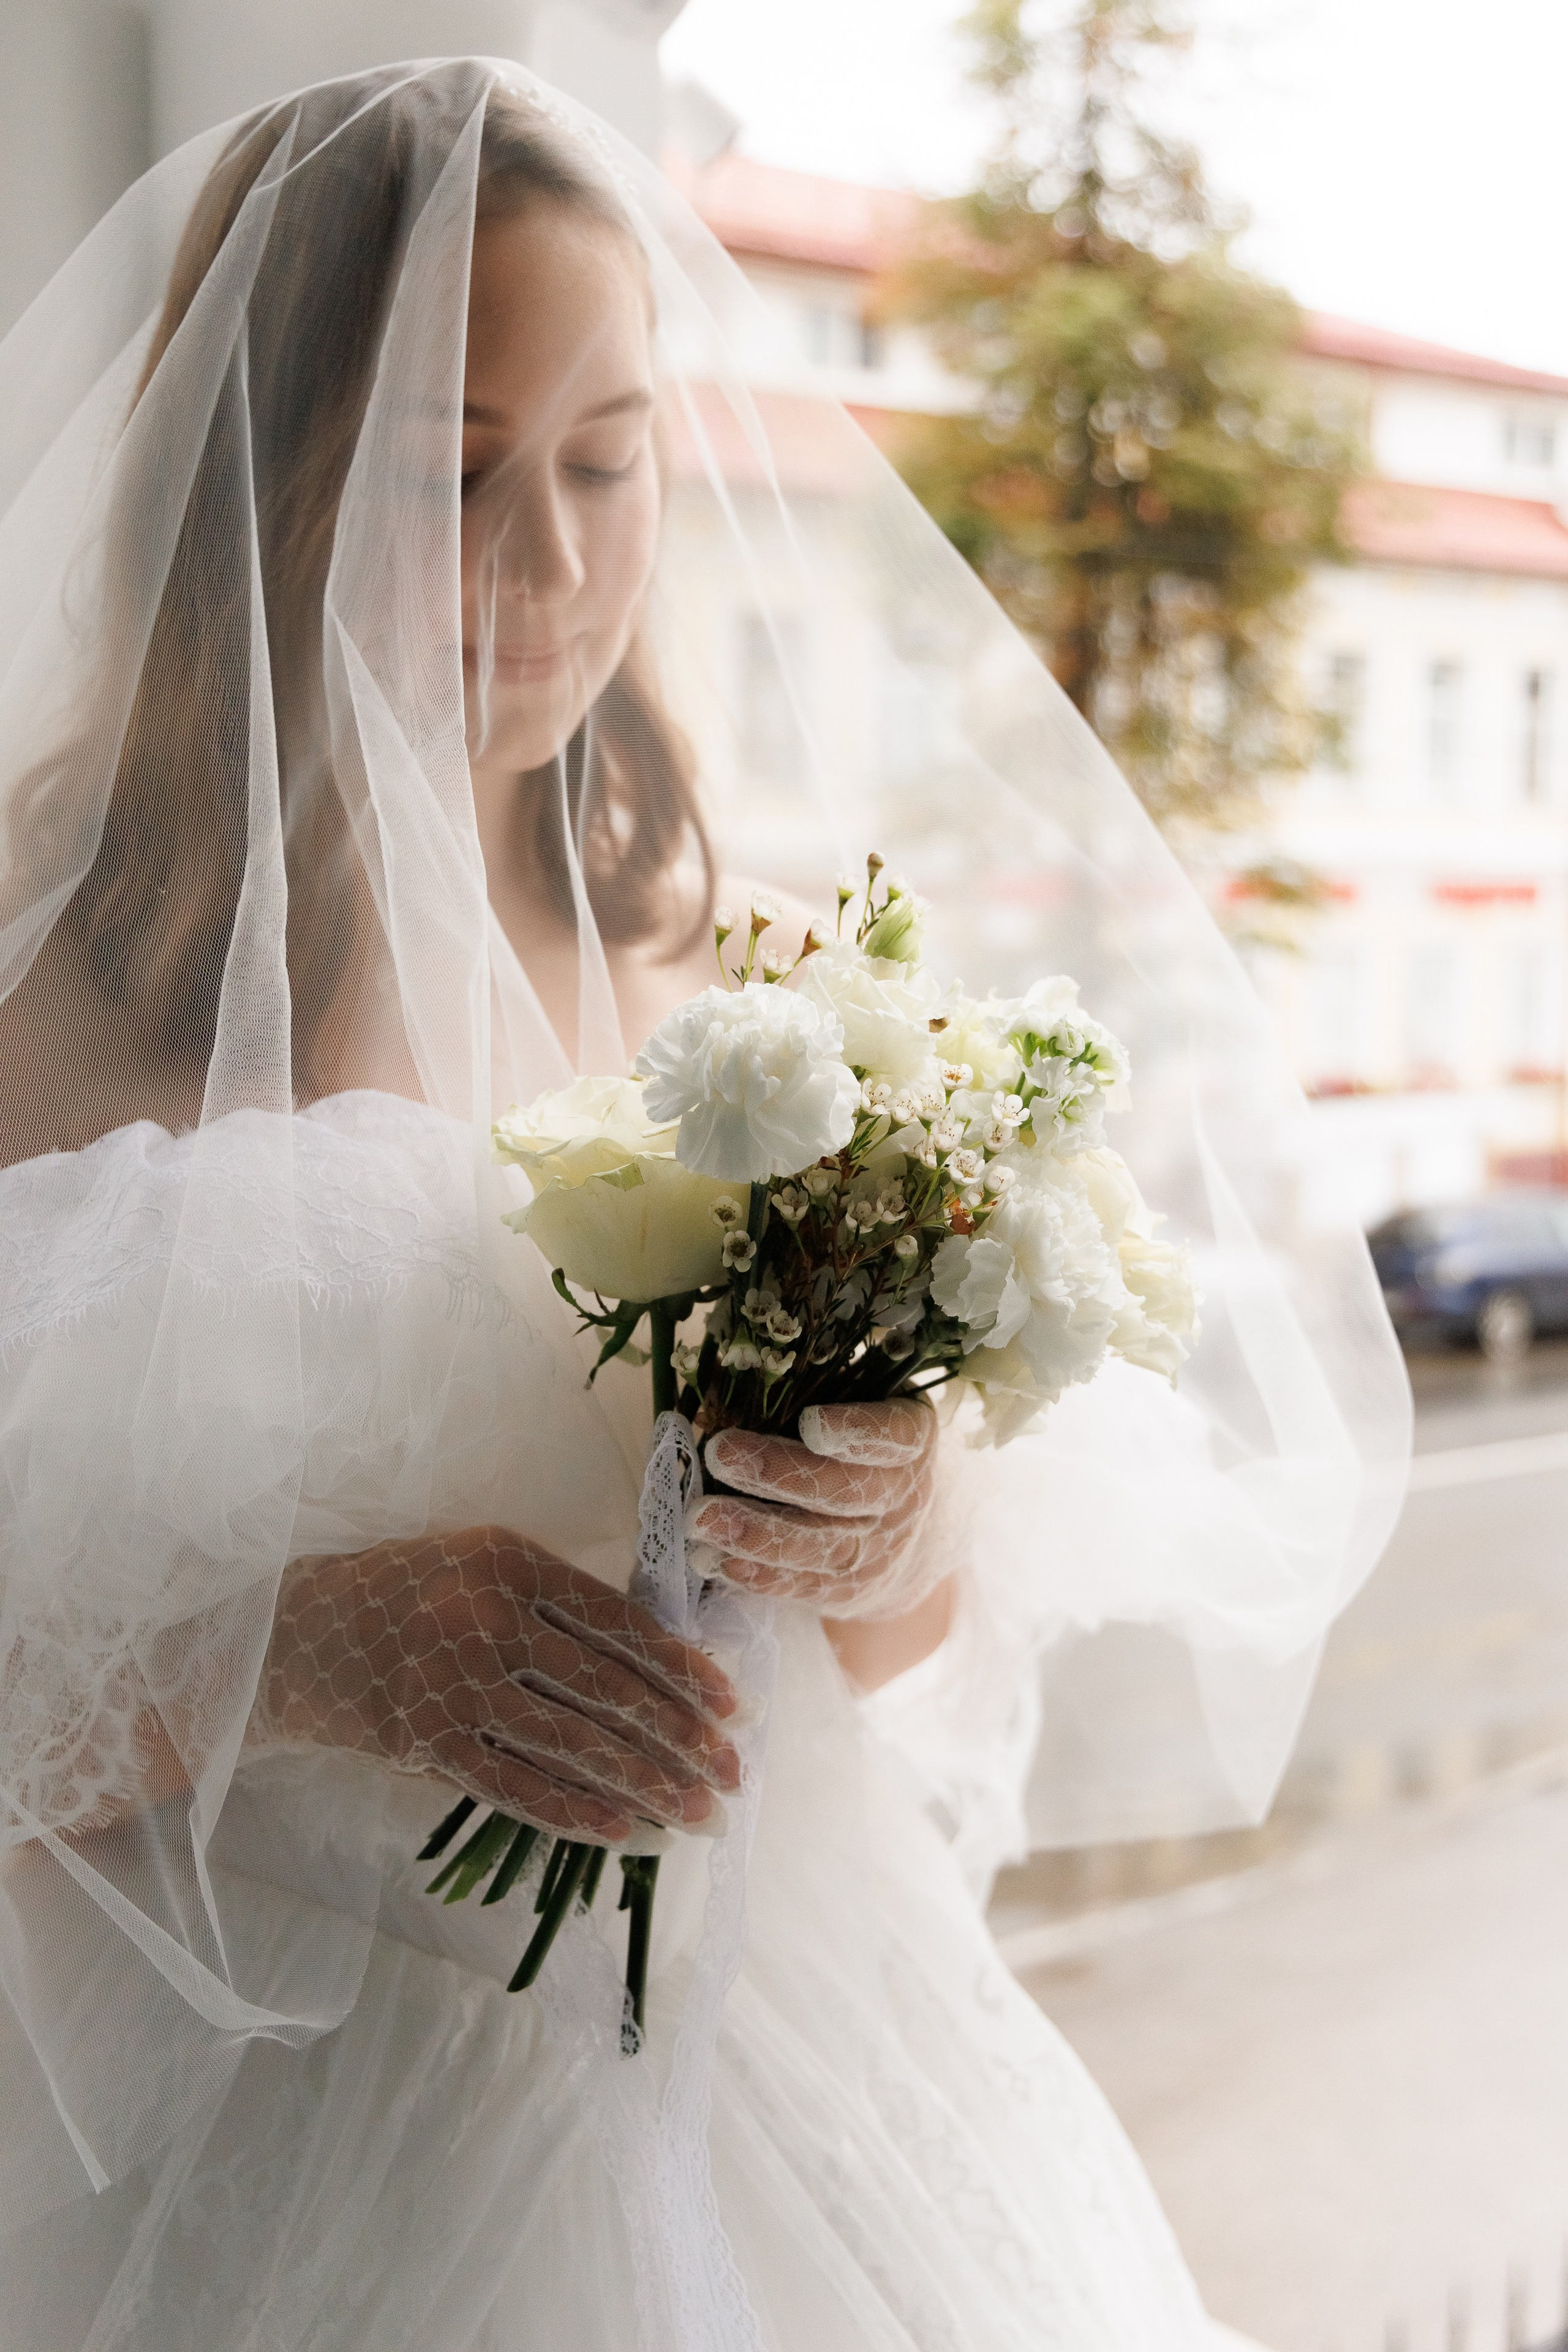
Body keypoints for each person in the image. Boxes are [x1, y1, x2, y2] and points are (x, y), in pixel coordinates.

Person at [0, 58, 1408, 2351]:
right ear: (261, 495)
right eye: (455, 479)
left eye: (610, 459)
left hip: (796, 2099)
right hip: (267, 2172)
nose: (552, 569)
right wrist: (315, 1648)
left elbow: (865, 1659)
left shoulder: (732, 969)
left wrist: (898, 1512)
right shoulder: (49, 1012)